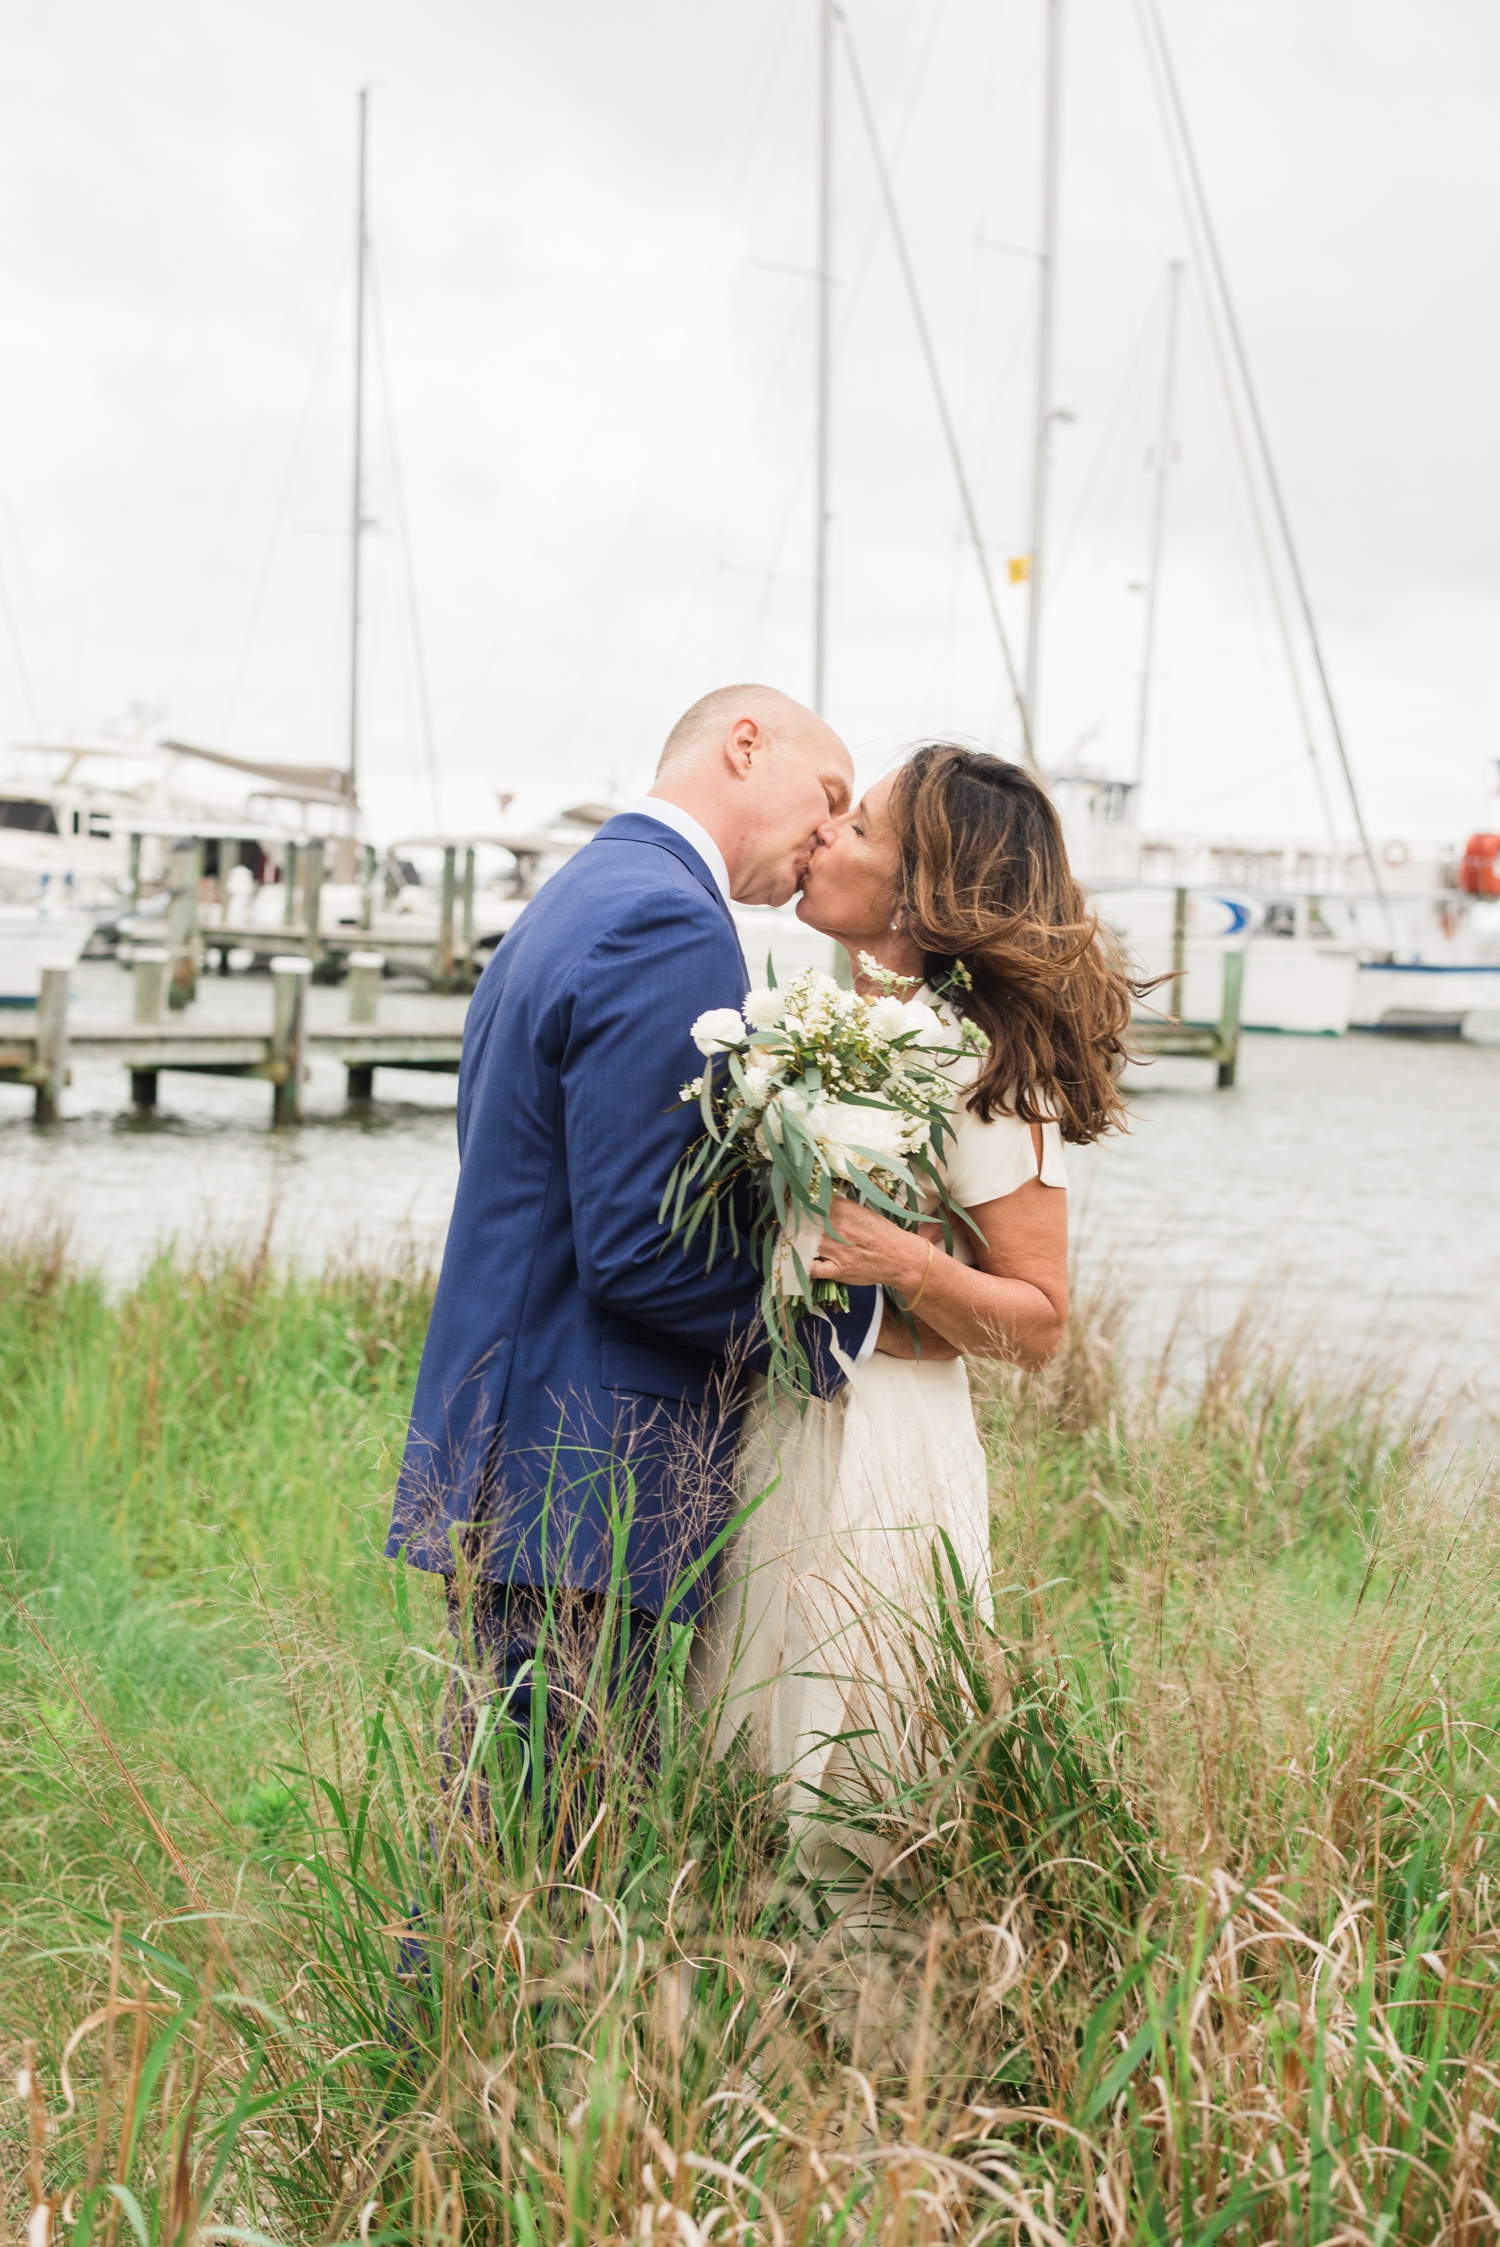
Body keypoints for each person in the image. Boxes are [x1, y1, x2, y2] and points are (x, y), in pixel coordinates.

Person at [386, 685, 881, 1795]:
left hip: (526, 1448)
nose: (827, 832)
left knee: (512, 1832)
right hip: (594, 1476)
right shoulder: (669, 918)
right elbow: (643, 1248)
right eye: (830, 794)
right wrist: (840, 1327)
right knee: (553, 1846)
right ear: (745, 746)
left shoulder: (582, 892)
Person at [690, 743, 1137, 1865]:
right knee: (739, 1757)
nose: (827, 833)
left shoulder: (988, 1066)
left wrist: (908, 1265)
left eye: (862, 826)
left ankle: (878, 2019)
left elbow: (1037, 1323)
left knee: (860, 1781)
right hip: (773, 1431)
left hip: (884, 1448)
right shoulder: (795, 1023)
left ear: (922, 885)